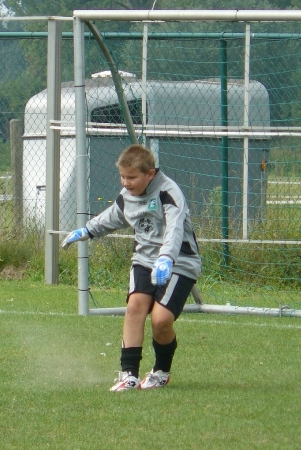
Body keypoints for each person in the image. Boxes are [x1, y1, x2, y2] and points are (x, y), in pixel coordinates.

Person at [62, 144, 201, 391]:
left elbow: (175, 228)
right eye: (123, 177)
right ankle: (129, 375)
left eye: (132, 177)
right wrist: (86, 230)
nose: (126, 183)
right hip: (144, 260)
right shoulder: (127, 195)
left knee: (160, 320)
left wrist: (166, 258)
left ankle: (161, 371)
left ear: (150, 174)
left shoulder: (169, 193)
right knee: (135, 306)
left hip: (179, 262)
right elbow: (113, 216)